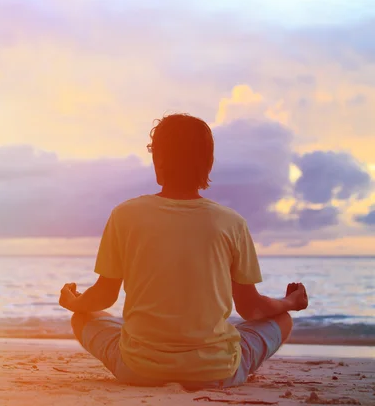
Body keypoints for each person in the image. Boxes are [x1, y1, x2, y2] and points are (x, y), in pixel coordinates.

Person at [58, 113, 309, 389]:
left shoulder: (124, 215)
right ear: (208, 164)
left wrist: (73, 302)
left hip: (139, 369)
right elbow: (252, 309)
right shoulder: (232, 223)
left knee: (85, 316)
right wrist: (290, 303)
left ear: (158, 161)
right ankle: (215, 360)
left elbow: (103, 296)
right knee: (281, 319)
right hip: (216, 371)